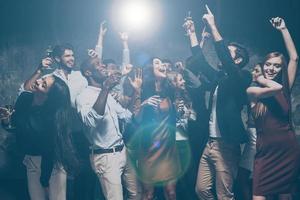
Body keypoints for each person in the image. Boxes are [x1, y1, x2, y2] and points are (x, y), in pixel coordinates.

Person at [184, 5, 252, 199]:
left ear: (238, 60)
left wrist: (213, 27)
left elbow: (226, 61)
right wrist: (192, 34)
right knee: (202, 190)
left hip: (226, 147)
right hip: (210, 143)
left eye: (228, 52)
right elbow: (200, 63)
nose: (223, 54)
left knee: (224, 195)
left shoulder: (243, 78)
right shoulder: (219, 79)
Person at [246, 17, 300, 200]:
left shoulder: (284, 88)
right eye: (268, 64)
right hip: (265, 154)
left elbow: (294, 57)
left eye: (277, 66)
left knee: (285, 197)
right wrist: (260, 79)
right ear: (262, 65)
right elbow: (274, 88)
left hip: (287, 150)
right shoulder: (252, 90)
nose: (271, 68)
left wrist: (283, 29)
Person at [76, 55, 141, 200]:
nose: (103, 66)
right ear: (88, 72)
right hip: (105, 157)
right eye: (98, 64)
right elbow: (92, 120)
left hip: (123, 151)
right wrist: (105, 88)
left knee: (136, 195)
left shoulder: (108, 95)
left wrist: (136, 92)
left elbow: (126, 115)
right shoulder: (83, 96)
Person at [12, 60, 77, 200]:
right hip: (32, 160)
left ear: (49, 97)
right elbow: (16, 125)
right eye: (42, 79)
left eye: (44, 85)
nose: (39, 82)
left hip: (53, 163)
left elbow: (49, 150)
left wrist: (45, 181)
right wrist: (6, 121)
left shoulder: (52, 118)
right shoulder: (24, 99)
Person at [133, 57, 181, 200]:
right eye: (157, 63)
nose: (162, 65)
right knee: (148, 194)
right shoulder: (143, 90)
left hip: (168, 148)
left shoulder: (170, 90)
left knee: (171, 192)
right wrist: (143, 104)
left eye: (162, 63)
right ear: (150, 69)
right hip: (149, 149)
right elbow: (135, 119)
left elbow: (176, 116)